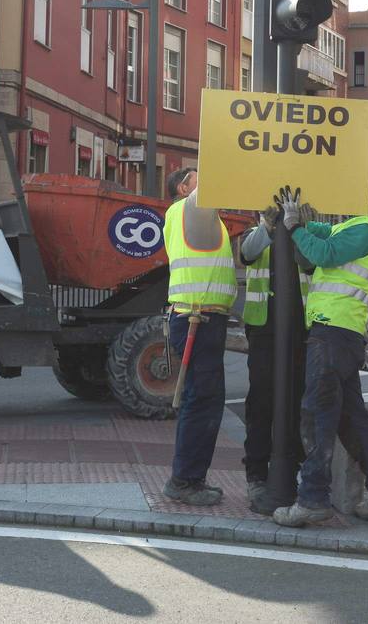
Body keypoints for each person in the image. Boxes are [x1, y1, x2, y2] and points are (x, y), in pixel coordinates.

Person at [273, 182, 368, 528]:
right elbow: (324, 231)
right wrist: (302, 218)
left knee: (317, 416)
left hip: (332, 332)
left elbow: (324, 254)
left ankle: (312, 499)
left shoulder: (367, 228)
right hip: (341, 334)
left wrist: (294, 226)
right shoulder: (351, 226)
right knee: (352, 420)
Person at [163, 166, 237, 506]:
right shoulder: (187, 210)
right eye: (195, 177)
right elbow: (215, 178)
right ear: (183, 188)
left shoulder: (205, 221)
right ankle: (185, 481)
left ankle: (189, 478)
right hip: (197, 318)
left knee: (203, 400)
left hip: (203, 318)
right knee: (202, 402)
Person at [238, 206, 309, 515]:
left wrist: (298, 229)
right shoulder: (257, 230)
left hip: (300, 326)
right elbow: (246, 253)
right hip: (264, 326)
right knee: (261, 402)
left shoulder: (305, 227)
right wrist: (267, 226)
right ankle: (257, 475)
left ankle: (293, 471)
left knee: (297, 401)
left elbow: (311, 264)